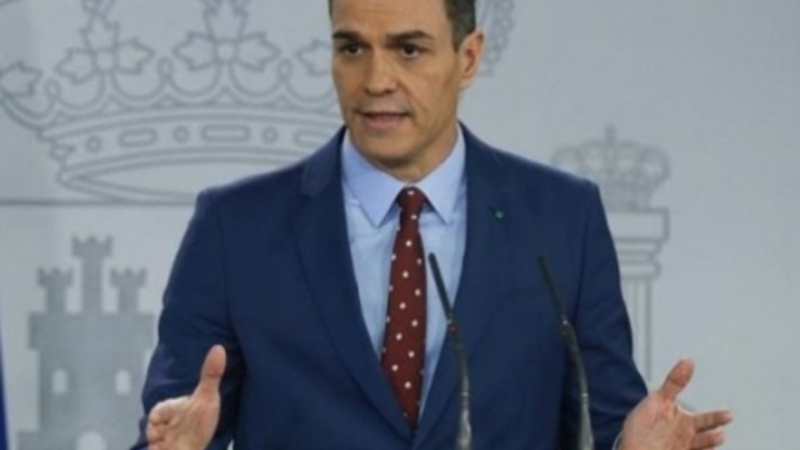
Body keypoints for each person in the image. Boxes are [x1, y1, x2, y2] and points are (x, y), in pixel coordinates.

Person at [133, 0, 733, 449]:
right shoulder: (235, 229)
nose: (375, 80)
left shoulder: (561, 219)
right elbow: (175, 426)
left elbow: (601, 422)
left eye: (409, 50)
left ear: (467, 57)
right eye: (352, 49)